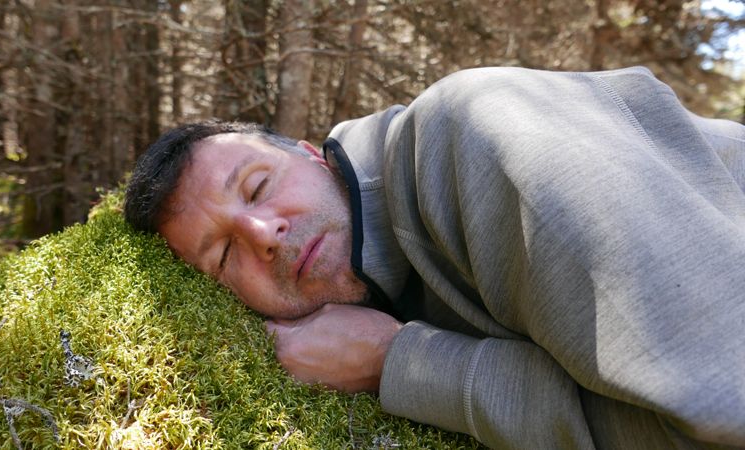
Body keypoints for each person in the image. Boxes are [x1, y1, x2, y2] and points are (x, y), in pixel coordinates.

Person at [124, 66, 745, 450]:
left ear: (314, 154)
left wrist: (399, 361)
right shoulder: (389, 264)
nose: (263, 233)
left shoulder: (482, 133)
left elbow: (722, 416)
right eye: (225, 253)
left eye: (258, 186)